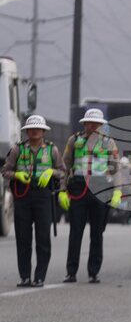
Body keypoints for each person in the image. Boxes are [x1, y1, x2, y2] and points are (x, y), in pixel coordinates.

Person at [3, 115, 65, 287]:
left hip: (43, 196)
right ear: (26, 131)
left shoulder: (52, 150)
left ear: (43, 131)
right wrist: (16, 175)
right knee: (23, 238)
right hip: (23, 196)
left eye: (38, 128)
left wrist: (51, 172)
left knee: (43, 237)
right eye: (31, 129)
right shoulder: (17, 149)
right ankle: (25, 276)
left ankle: (40, 277)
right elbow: (5, 171)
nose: (34, 131)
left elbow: (63, 171)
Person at [61, 108, 122, 284]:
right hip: (78, 188)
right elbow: (66, 166)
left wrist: (117, 190)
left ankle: (93, 272)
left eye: (96, 124)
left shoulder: (109, 143)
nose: (92, 126)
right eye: (90, 123)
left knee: (97, 233)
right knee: (76, 232)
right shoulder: (74, 140)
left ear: (101, 125)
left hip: (101, 187)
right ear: (84, 123)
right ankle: (71, 271)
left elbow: (116, 169)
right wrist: (63, 190)